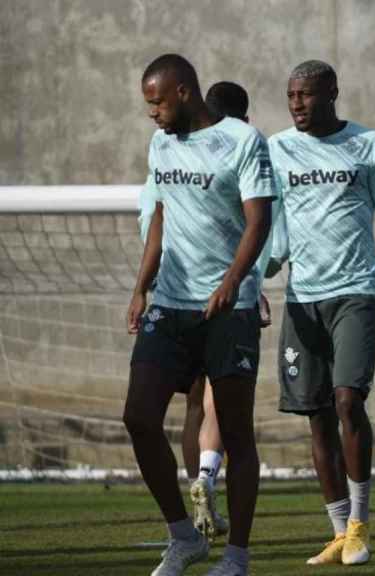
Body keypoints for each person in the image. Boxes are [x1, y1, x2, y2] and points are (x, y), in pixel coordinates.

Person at [266, 59, 375, 566]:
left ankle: (360, 523)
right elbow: (275, 232)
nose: (297, 104)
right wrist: (251, 283)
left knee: (346, 402)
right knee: (316, 418)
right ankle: (338, 530)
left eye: (307, 95)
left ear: (332, 92)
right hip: (301, 300)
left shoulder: (369, 145)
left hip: (358, 292)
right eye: (291, 95)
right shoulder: (277, 148)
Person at [125, 53, 275, 576]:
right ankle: (183, 537)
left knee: (235, 433)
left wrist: (233, 282)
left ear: (184, 91)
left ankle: (237, 556)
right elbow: (161, 216)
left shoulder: (242, 141)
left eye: (158, 102)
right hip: (169, 302)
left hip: (226, 310)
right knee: (139, 417)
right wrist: (141, 287)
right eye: (149, 104)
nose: (152, 113)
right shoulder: (160, 143)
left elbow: (260, 220)